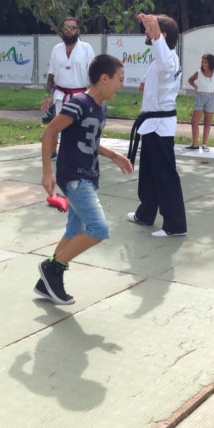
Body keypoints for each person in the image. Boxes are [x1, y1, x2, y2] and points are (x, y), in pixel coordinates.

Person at [36, 54, 134, 305]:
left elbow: (90, 141)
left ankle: (46, 283)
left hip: (88, 176)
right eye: (120, 79)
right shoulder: (78, 103)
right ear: (104, 78)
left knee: (75, 231)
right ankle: (52, 269)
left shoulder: (101, 108)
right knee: (98, 229)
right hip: (75, 177)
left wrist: (114, 156)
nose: (122, 84)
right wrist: (47, 172)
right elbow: (49, 133)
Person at [126, 13, 187, 238]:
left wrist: (156, 34)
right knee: (149, 174)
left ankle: (175, 225)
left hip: (160, 126)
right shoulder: (162, 59)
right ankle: (145, 214)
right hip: (152, 124)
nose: (146, 32)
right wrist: (152, 28)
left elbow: (161, 56)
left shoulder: (168, 59)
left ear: (163, 35)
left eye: (150, 30)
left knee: (165, 176)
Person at [40, 17, 96, 160]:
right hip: (60, 95)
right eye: (66, 27)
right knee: (59, 127)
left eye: (72, 28)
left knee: (79, 128)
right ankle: (58, 153)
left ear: (78, 31)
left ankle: (78, 155)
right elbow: (51, 74)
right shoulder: (56, 49)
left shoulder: (86, 48)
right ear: (62, 30)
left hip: (80, 95)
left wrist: (93, 96)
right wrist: (47, 95)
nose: (69, 30)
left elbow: (92, 74)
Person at [185, 54, 214, 151]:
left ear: (211, 63)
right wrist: (196, 87)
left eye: (206, 62)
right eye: (202, 62)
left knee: (207, 122)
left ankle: (204, 144)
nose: (203, 64)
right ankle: (194, 144)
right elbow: (190, 80)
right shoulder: (198, 73)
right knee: (194, 121)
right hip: (200, 97)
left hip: (211, 98)